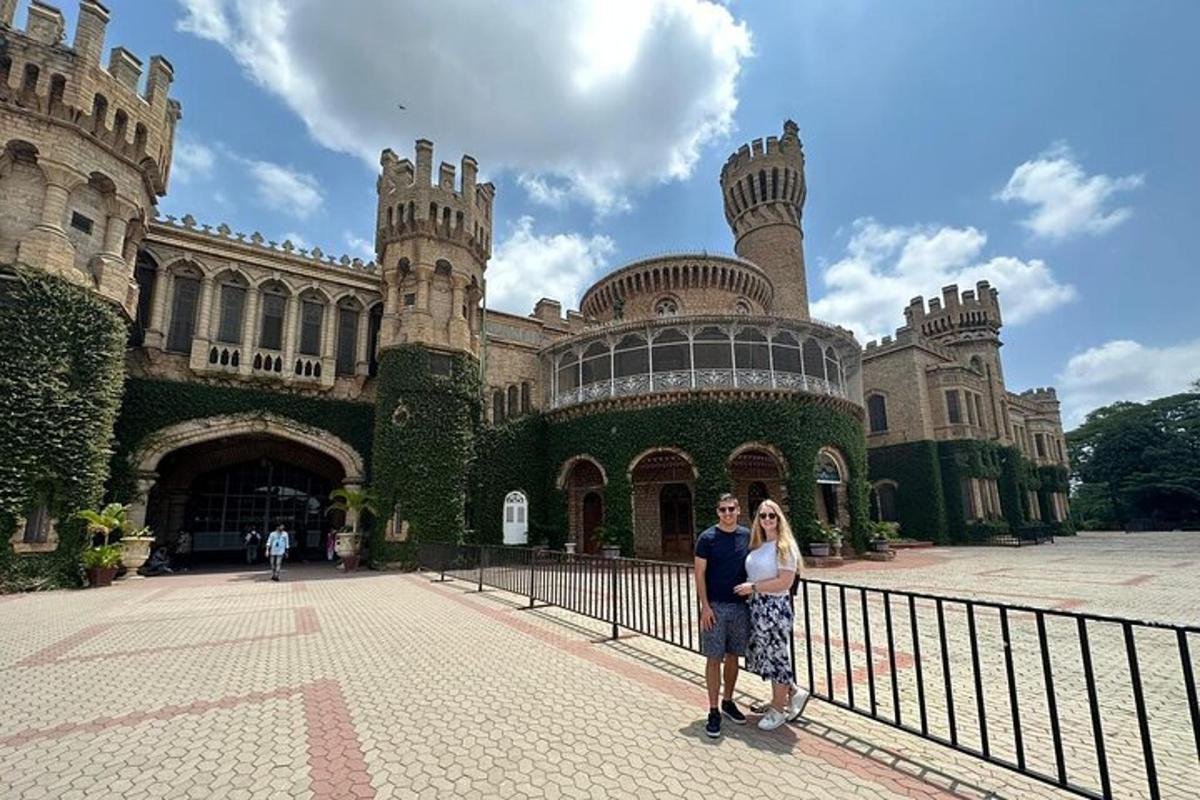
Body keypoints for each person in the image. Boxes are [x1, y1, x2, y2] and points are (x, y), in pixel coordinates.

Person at [734, 498, 810, 730]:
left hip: (774, 607)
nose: (767, 519)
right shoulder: (759, 545)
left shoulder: (784, 546)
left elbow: (785, 581)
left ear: (779, 519)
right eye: (763, 515)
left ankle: (779, 709)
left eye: (772, 515)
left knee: (777, 656)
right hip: (757, 606)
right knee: (766, 655)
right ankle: (793, 692)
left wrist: (753, 588)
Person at [694, 493, 751, 739]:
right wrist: (705, 606)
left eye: (731, 509)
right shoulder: (707, 538)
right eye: (722, 510)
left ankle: (728, 700)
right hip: (715, 607)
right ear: (717, 512)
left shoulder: (747, 536)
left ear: (738, 510)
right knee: (713, 658)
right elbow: (699, 574)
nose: (727, 514)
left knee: (732, 656)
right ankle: (713, 709)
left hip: (740, 607)